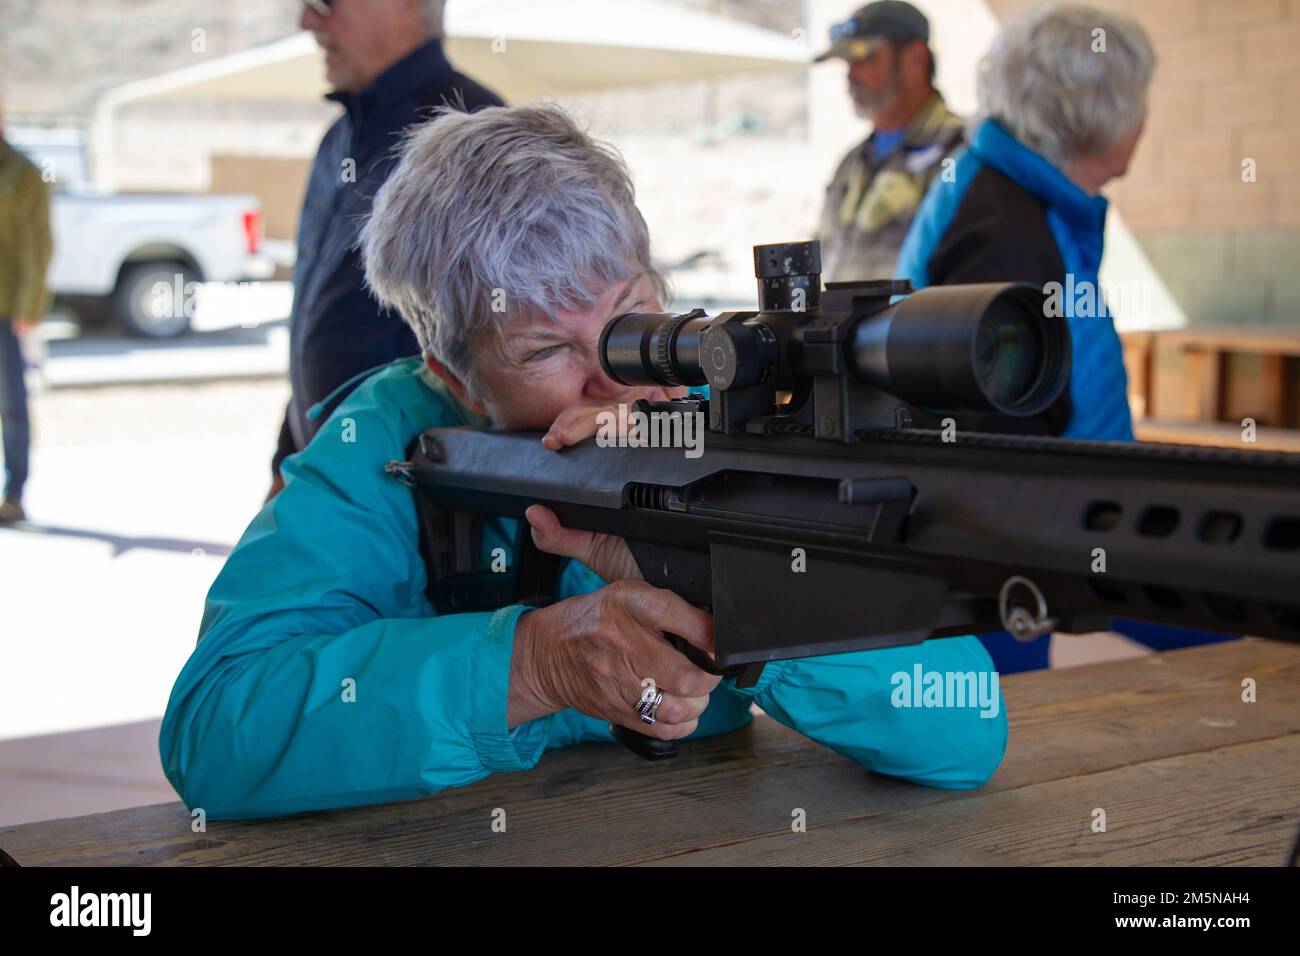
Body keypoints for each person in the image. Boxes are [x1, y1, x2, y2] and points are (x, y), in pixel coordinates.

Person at [159, 104, 1008, 820]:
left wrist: (762, 611)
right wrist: (533, 663)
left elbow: (966, 728)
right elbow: (217, 729)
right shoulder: (385, 444)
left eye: (634, 317)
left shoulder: (723, 418)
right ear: (452, 376)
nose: (614, 379)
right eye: (544, 351)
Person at [898, 4, 1229, 671]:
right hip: (1034, 568)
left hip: (1077, 532)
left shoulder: (1023, 198)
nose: (1145, 115)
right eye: (1140, 97)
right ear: (1097, 112)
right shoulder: (1002, 231)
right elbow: (990, 458)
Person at [268, 0, 503, 501]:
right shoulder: (337, 139)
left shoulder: (475, 135)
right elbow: (319, 319)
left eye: (323, 3)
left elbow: (515, 338)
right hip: (330, 483)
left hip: (426, 506)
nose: (307, 21)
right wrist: (286, 460)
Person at [813, 1, 966, 284]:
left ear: (915, 59)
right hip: (843, 328)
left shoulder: (960, 153)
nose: (850, 75)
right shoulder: (852, 162)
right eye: (847, 63)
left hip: (918, 328)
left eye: (864, 59)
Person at [0, 116, 52, 524]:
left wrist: (28, 307)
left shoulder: (22, 174)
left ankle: (13, 494)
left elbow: (39, 245)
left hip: (7, 310)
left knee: (12, 407)